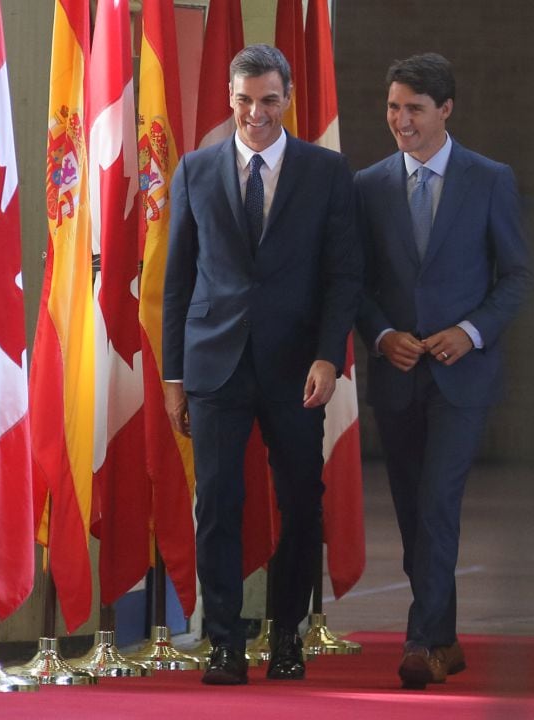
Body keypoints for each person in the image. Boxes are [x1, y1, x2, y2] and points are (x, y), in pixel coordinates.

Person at [163, 44, 361, 685]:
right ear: (230, 96)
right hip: (214, 366)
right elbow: (177, 281)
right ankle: (222, 641)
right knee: (218, 504)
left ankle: (286, 638)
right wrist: (173, 377)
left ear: (289, 98)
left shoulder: (327, 172)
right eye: (245, 99)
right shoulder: (194, 171)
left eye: (269, 99)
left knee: (302, 503)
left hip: (297, 368)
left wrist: (330, 356)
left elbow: (342, 276)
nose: (256, 112)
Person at [355, 52, 532, 689]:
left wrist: (469, 331)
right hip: (397, 375)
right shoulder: (368, 186)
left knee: (437, 506)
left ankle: (422, 643)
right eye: (394, 107)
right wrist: (380, 335)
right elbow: (356, 282)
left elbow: (515, 278)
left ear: (446, 110)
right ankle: (447, 638)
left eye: (415, 109)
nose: (400, 120)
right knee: (412, 515)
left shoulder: (490, 180)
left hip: (464, 378)